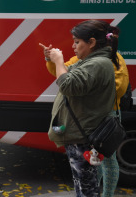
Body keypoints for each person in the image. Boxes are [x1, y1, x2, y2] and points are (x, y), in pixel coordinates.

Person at [40, 24, 129, 197]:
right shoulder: (87, 61)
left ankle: (108, 194)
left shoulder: (99, 63)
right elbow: (63, 74)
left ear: (92, 42)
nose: (73, 45)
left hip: (87, 132)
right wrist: (52, 59)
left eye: (77, 41)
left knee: (89, 186)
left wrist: (58, 61)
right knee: (83, 183)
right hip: (81, 132)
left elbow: (67, 84)